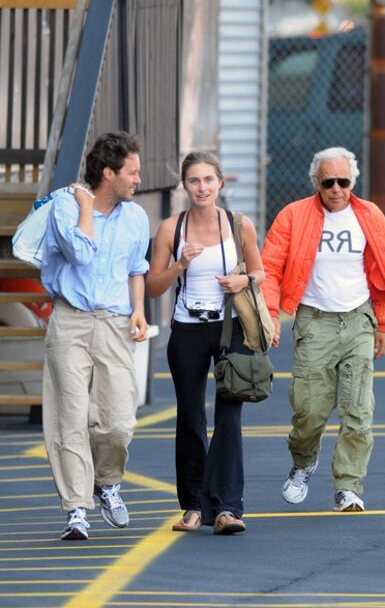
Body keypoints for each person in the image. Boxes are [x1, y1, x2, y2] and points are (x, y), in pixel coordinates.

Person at [261, 147, 385, 512]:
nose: (337, 189)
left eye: (344, 181)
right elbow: (271, 268)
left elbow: (384, 274)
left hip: (358, 319)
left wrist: (383, 324)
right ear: (317, 182)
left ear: (352, 181)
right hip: (314, 321)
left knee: (358, 412)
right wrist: (271, 316)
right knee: (308, 411)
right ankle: (303, 462)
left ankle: (348, 485)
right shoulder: (293, 216)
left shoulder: (369, 215)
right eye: (329, 182)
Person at [147, 151, 264, 534]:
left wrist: (243, 281)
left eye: (208, 180)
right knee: (191, 417)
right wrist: (179, 265)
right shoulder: (170, 228)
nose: (201, 187)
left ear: (220, 183)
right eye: (194, 180)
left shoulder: (239, 224)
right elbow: (153, 287)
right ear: (185, 184)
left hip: (230, 327)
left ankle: (228, 508)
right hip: (187, 328)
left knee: (229, 417)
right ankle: (194, 505)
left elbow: (260, 271)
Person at [41, 131, 150, 540]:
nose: (138, 179)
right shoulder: (65, 207)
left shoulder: (137, 216)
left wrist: (138, 309)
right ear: (109, 173)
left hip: (116, 322)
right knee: (68, 417)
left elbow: (136, 267)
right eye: (133, 172)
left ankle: (107, 482)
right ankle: (76, 509)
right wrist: (87, 206)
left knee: (119, 422)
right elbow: (81, 252)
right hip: (70, 320)